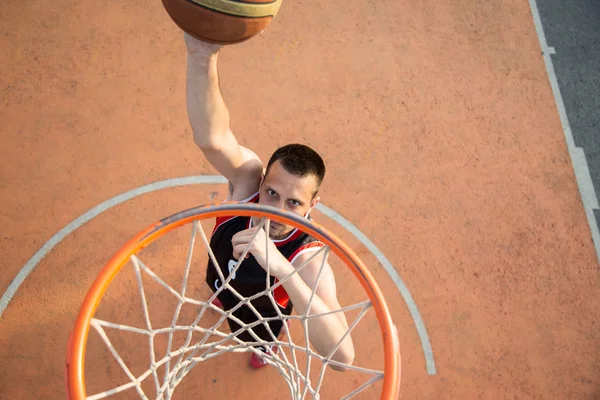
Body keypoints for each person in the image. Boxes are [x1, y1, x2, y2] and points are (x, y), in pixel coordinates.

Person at [184, 33, 354, 371]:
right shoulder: (247, 185)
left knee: (261, 341)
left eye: (293, 203)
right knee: (221, 294)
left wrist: (281, 266)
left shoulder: (308, 257)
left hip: (262, 316)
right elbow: (212, 138)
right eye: (272, 193)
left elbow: (342, 359)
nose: (275, 211)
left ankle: (265, 349)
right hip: (222, 276)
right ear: (261, 182)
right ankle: (222, 297)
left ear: (312, 206)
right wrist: (202, 54)